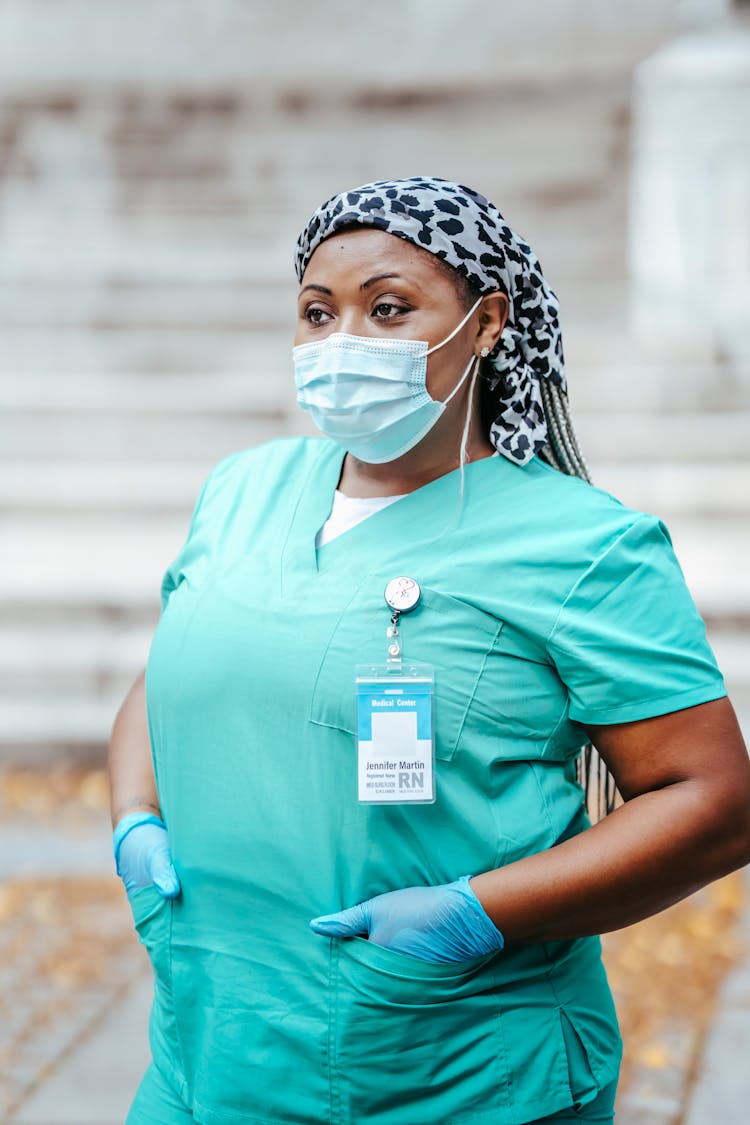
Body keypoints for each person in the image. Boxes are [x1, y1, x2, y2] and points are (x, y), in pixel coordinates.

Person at [108, 176, 750, 1125]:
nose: (343, 343)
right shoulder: (244, 488)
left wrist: (476, 914)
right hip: (207, 1053)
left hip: (443, 1068)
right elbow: (172, 669)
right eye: (317, 313)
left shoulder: (581, 544)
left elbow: (714, 801)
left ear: (486, 323)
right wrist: (134, 819)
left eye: (389, 308)